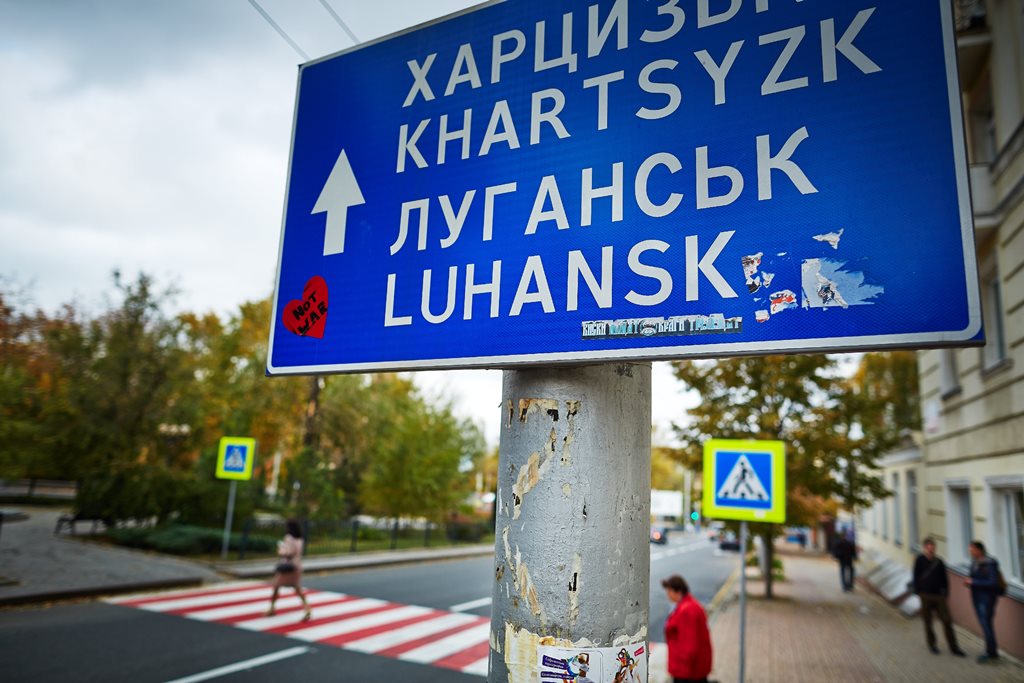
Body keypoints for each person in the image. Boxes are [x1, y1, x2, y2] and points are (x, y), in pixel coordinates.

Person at [912, 537, 965, 656]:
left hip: (939, 596)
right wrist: (918, 591)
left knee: (947, 620)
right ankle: (932, 645)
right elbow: (915, 576)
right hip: (925, 595)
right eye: (928, 548)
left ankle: (954, 647)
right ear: (924, 548)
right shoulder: (919, 560)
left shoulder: (939, 561)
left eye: (933, 547)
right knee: (928, 621)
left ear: (935, 548)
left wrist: (946, 592)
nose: (931, 550)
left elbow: (945, 579)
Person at [662, 574, 712, 683]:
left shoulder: (686, 611)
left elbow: (689, 646)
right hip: (693, 670)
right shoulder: (689, 604)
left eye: (669, 591)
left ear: (678, 591)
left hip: (687, 672)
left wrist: (680, 668)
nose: (667, 594)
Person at [266, 519, 311, 621]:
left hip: (287, 567)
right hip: (297, 566)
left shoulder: (289, 537)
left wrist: (281, 550)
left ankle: (271, 609)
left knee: (276, 586)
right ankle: (307, 608)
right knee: (297, 588)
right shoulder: (300, 539)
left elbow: (289, 552)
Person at [965, 540, 1002, 663]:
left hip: (987, 599)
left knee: (986, 625)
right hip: (976, 597)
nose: (970, 552)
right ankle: (991, 651)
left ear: (979, 550)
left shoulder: (989, 563)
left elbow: (992, 582)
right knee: (985, 625)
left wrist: (973, 582)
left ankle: (991, 653)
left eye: (972, 549)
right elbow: (972, 576)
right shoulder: (974, 562)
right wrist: (969, 582)